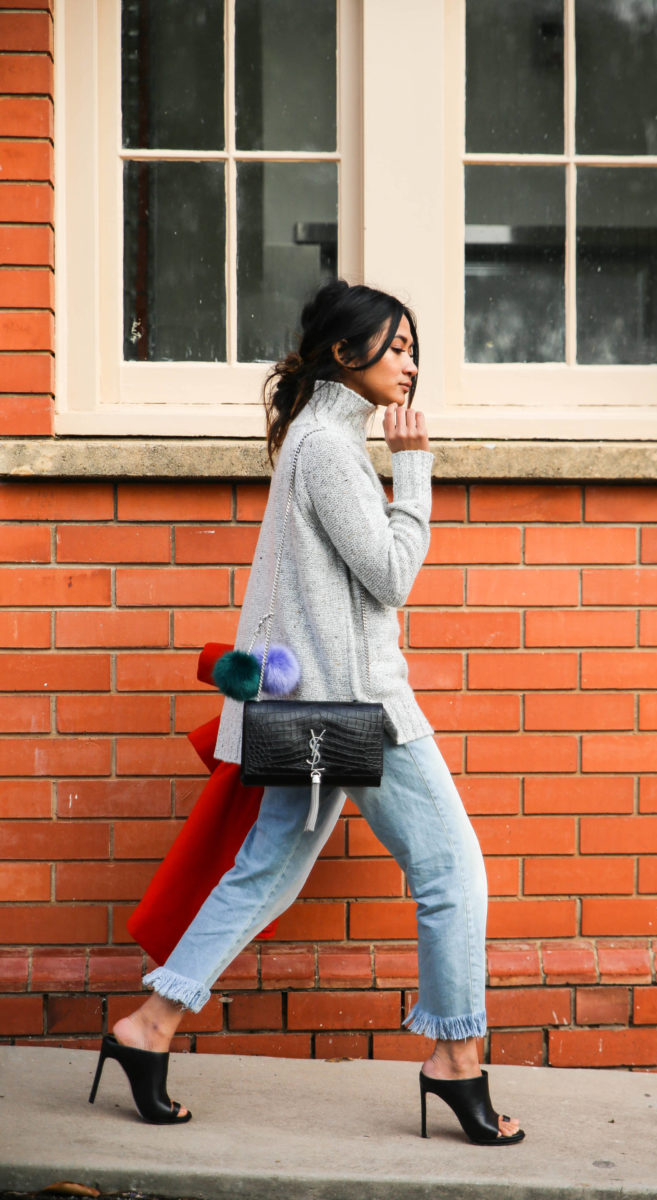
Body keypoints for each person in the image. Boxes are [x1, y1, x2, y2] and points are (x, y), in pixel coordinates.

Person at [88, 280, 524, 1146]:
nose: (408, 362)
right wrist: (416, 468)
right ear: (343, 352)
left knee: (264, 875)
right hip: (360, 706)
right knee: (452, 872)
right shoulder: (328, 448)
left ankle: (149, 1026)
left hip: (319, 703)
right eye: (394, 346)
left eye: (413, 347)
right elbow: (391, 577)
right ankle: (455, 1060)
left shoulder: (316, 439)